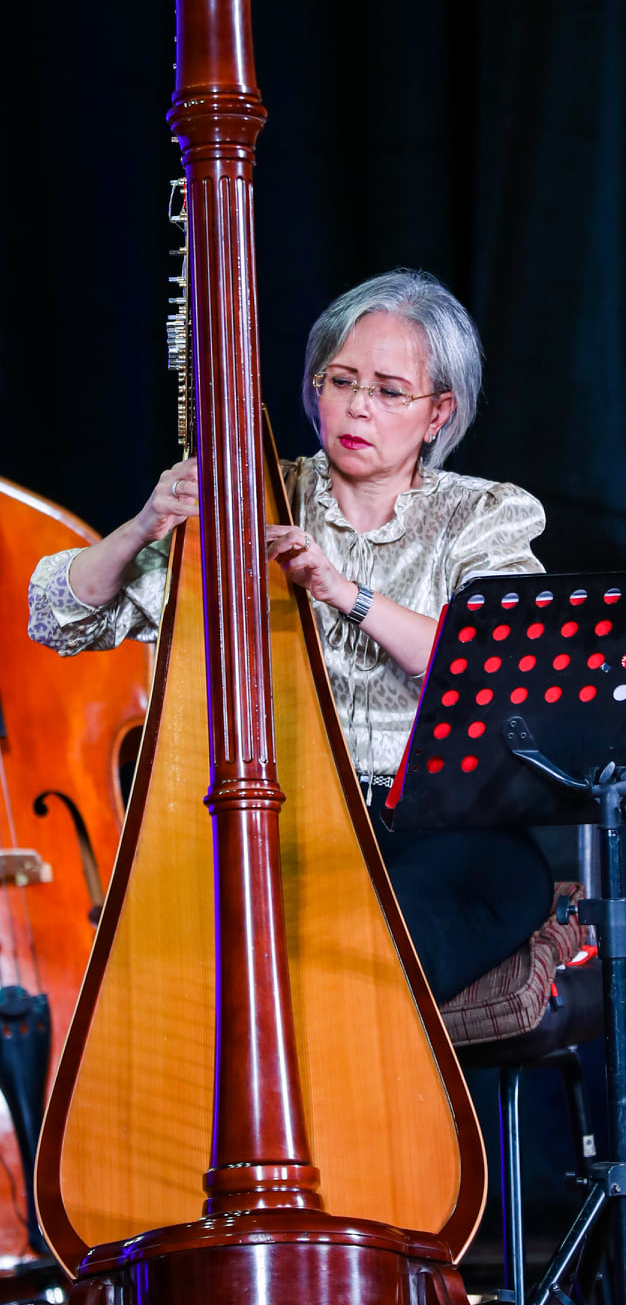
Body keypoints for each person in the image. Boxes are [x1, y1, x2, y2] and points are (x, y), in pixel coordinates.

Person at [28, 269, 552, 1003]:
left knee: (373, 941)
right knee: (185, 945)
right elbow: (57, 615)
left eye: (389, 391)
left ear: (438, 413)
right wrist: (143, 525)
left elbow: (490, 667)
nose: (357, 406)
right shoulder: (250, 502)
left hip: (447, 829)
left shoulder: (483, 515)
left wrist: (346, 593)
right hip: (284, 824)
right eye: (341, 381)